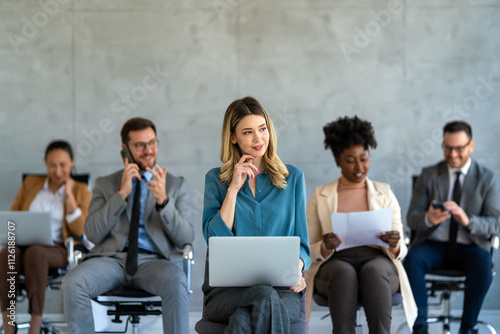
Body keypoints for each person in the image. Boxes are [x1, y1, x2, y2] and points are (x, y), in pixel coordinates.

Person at [62, 117, 194, 334]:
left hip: (154, 262)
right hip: (110, 260)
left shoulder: (175, 185)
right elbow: (92, 234)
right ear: (125, 149)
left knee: (176, 278)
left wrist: (164, 202)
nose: (148, 150)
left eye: (152, 143)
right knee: (73, 282)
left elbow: (186, 237)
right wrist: (121, 194)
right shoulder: (106, 184)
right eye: (139, 145)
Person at [202, 96, 311, 333]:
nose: (258, 138)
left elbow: (302, 243)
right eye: (248, 132)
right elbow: (213, 240)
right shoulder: (215, 180)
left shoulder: (293, 178)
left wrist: (298, 266)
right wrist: (233, 188)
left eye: (262, 129)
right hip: (226, 294)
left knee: (243, 321)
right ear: (233, 137)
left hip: (282, 291)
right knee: (263, 295)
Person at [305, 116, 417, 334]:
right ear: (337, 160)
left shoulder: (384, 193)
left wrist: (394, 243)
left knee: (374, 271)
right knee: (343, 273)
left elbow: (401, 249)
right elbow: (307, 248)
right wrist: (325, 246)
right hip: (335, 262)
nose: (359, 166)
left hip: (378, 259)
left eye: (364, 158)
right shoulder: (320, 196)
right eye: (350, 160)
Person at [404, 121, 500, 334]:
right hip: (433, 244)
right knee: (412, 259)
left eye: (459, 148)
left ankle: (468, 326)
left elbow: (496, 222)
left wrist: (468, 220)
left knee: (484, 264)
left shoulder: (487, 178)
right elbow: (411, 218)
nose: (453, 154)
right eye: (448, 148)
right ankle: (420, 328)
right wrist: (428, 219)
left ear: (471, 145)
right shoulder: (429, 174)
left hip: (469, 246)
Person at [0, 140, 91, 334]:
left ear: (72, 162)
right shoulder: (31, 183)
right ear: (46, 164)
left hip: (58, 248)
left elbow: (81, 229)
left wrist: (69, 195)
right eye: (52, 165)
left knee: (35, 253)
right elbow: (12, 217)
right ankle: (8, 325)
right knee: (8, 253)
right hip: (23, 244)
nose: (58, 171)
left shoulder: (80, 190)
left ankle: (35, 324)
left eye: (63, 165)